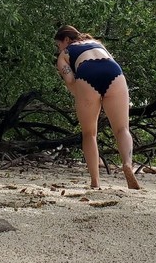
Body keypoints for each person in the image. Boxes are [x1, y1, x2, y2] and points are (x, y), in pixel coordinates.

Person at [53, 25, 140, 190]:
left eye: (59, 44)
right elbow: (109, 61)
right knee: (122, 129)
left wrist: (85, 98)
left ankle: (95, 182)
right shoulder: (97, 43)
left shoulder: (64, 54)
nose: (59, 48)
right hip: (113, 71)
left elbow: (71, 81)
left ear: (66, 40)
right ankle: (127, 164)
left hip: (87, 71)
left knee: (89, 133)